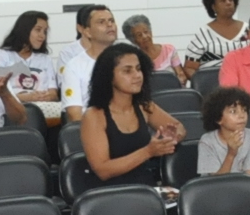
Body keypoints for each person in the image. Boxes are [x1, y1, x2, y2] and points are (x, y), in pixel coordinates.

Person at [79, 42, 184, 190]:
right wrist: (148, 151)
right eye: (127, 71)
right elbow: (103, 170)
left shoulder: (144, 106)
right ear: (109, 77)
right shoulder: (94, 115)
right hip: (109, 193)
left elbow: (179, 128)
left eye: (138, 69)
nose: (137, 75)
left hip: (147, 189)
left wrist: (171, 138)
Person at [59, 4, 121, 122]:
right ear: (87, 32)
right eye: (101, 22)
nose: (109, 25)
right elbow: (74, 114)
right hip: (92, 126)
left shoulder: (128, 58)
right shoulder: (74, 66)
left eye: (111, 21)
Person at [0, 10, 61, 114]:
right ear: (24, 30)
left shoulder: (45, 59)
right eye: (38, 30)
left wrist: (46, 96)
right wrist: (27, 97)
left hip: (44, 110)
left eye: (45, 31)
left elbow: (53, 93)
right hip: (11, 110)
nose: (42, 36)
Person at [182, 0, 247, 82]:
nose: (228, 3)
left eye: (230, 0)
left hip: (246, 82)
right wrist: (203, 83)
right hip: (214, 85)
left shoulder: (249, 30)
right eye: (223, 1)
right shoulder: (203, 34)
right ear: (213, 7)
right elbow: (189, 68)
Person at [197, 87, 250, 177]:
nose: (241, 116)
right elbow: (216, 182)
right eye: (233, 111)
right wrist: (231, 153)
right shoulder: (207, 141)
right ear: (218, 118)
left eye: (244, 110)